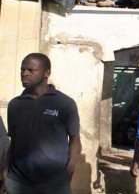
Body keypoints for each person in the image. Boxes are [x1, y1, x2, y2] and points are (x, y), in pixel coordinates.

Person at [4, 53, 82, 194]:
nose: (24, 74)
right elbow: (14, 141)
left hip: (54, 183)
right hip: (18, 182)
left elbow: (75, 140)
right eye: (22, 70)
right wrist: (6, 172)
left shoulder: (64, 103)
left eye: (31, 70)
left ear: (46, 73)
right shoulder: (15, 105)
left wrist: (69, 171)